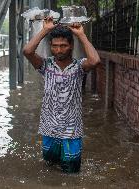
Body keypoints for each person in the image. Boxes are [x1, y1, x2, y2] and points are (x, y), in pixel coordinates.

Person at [23, 16, 100, 173]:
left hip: (72, 131)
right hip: (49, 128)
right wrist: (45, 30)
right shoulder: (46, 65)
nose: (59, 50)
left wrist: (81, 35)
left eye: (63, 45)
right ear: (51, 46)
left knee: (71, 172)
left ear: (71, 46)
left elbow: (95, 61)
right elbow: (27, 51)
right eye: (55, 46)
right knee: (49, 169)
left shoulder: (79, 67)